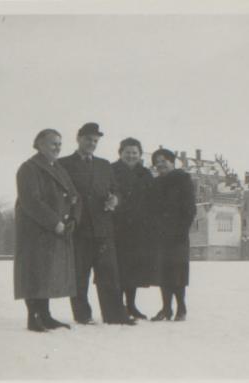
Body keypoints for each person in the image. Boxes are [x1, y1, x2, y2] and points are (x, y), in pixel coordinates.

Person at [59, 122, 135, 326]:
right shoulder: (64, 164)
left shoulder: (104, 165)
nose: (92, 143)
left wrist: (115, 200)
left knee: (109, 273)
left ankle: (115, 315)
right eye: (88, 139)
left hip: (103, 228)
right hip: (79, 228)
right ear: (78, 139)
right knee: (80, 276)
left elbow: (115, 190)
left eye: (95, 141)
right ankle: (83, 315)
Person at [14, 129, 80, 332]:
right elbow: (31, 201)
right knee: (35, 272)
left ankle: (45, 315)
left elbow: (75, 196)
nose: (58, 147)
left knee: (48, 273)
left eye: (59, 143)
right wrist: (55, 223)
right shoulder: (29, 168)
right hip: (36, 231)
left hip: (56, 230)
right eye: (53, 143)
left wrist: (73, 219)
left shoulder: (58, 168)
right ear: (39, 144)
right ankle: (33, 318)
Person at [150, 148, 196, 321]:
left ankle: (181, 308)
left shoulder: (183, 179)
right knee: (163, 272)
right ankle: (166, 308)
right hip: (160, 235)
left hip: (178, 235)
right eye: (157, 162)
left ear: (172, 161)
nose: (160, 164)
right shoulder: (156, 183)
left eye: (164, 160)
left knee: (178, 272)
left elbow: (190, 209)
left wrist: (181, 231)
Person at [111, 138, 154, 320]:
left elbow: (152, 198)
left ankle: (131, 305)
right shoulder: (111, 170)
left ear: (140, 154)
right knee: (118, 268)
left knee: (134, 269)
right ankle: (117, 306)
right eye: (127, 152)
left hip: (138, 228)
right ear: (120, 153)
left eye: (135, 153)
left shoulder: (145, 173)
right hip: (117, 227)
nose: (131, 156)